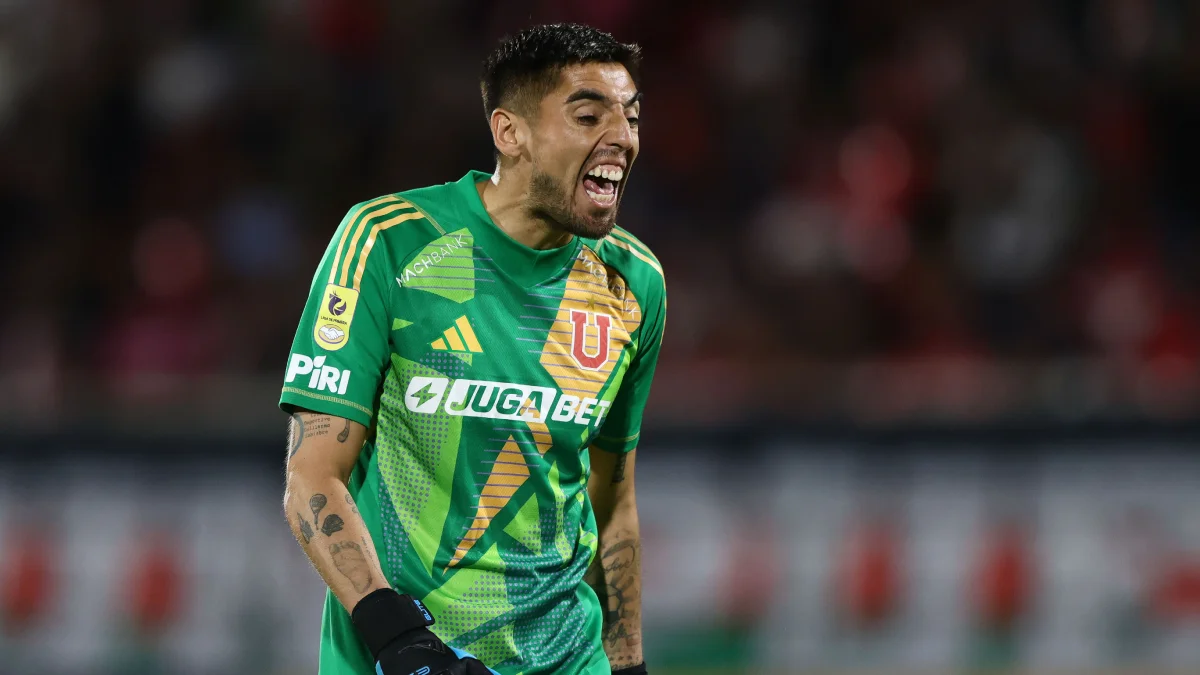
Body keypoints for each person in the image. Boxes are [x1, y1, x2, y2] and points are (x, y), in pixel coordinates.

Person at [279, 22, 663, 675]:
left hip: (567, 657)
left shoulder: (633, 283)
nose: (622, 137)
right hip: (406, 656)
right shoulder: (388, 242)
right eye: (588, 115)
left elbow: (612, 496)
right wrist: (399, 639)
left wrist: (626, 662)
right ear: (510, 133)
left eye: (630, 116)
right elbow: (312, 477)